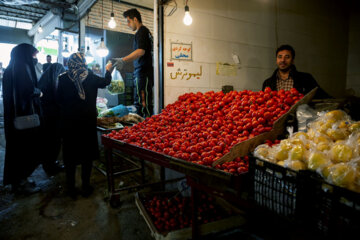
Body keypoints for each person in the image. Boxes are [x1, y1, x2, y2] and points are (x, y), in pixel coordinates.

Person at [56, 52, 113, 199]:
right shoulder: (91, 77)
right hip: (87, 123)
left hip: (69, 124)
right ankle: (86, 187)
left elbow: (58, 100)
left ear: (70, 63)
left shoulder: (62, 78)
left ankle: (71, 189)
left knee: (70, 158)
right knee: (86, 156)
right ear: (84, 63)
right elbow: (106, 82)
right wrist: (108, 69)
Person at [2, 43, 43, 193]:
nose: (35, 58)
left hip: (13, 118)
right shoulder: (21, 68)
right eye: (33, 55)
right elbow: (27, 90)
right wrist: (39, 92)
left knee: (17, 151)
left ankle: (18, 180)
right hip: (23, 119)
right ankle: (20, 183)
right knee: (26, 150)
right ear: (25, 54)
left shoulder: (11, 68)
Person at [115, 8, 153, 118]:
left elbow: (140, 51)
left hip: (143, 73)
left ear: (135, 19)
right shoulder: (144, 32)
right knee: (141, 102)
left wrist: (123, 60)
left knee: (143, 104)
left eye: (128, 21)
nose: (128, 24)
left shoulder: (142, 31)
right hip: (142, 73)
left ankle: (147, 129)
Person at [262, 44, 330, 98]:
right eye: (280, 57)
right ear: (276, 60)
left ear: (293, 61)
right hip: (278, 115)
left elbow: (321, 95)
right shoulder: (267, 83)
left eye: (287, 57)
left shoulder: (306, 78)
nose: (283, 60)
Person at [38, 63, 66, 176]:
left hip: (45, 115)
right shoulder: (54, 80)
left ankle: (49, 165)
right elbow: (58, 97)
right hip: (52, 117)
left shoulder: (44, 80)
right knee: (53, 142)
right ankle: (50, 167)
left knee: (48, 142)